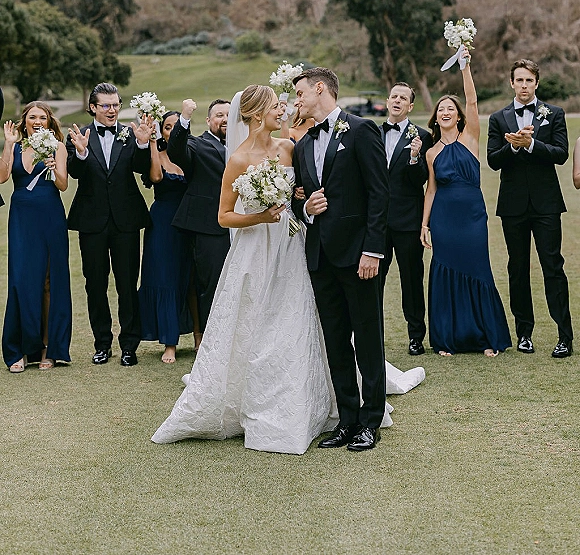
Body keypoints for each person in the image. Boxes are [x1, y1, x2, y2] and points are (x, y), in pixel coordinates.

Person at [152, 85, 333, 454]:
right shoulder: (237, 159)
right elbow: (224, 216)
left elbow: (300, 191)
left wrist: (297, 199)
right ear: (253, 114)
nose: (280, 111)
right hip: (254, 249)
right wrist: (259, 216)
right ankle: (251, 398)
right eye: (273, 107)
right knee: (254, 319)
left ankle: (300, 397)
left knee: (293, 317)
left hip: (288, 243)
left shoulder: (288, 148)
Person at [292, 67, 389, 452]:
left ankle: (371, 421)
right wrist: (307, 208)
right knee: (335, 341)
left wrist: (373, 249)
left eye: (300, 93)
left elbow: (379, 194)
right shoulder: (301, 146)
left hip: (358, 256)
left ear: (320, 89)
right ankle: (347, 420)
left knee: (367, 339)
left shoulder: (362, 129)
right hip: (320, 258)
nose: (296, 100)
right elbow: (301, 200)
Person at [421, 48, 511, 357]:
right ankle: (447, 340)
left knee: (477, 268)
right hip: (443, 218)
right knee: (444, 271)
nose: (445, 111)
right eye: (440, 109)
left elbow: (472, 100)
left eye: (450, 108)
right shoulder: (431, 152)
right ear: (436, 117)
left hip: (472, 215)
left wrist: (465, 68)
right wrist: (424, 223)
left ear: (459, 115)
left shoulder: (470, 137)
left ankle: (487, 338)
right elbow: (430, 190)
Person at [487, 59, 572, 358]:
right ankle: (524, 334)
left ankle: (565, 336)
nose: (524, 86)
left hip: (546, 203)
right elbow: (493, 160)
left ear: (537, 83)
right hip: (512, 206)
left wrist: (532, 144)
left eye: (529, 81)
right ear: (511, 83)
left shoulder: (554, 114)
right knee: (517, 268)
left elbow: (561, 154)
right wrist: (512, 147)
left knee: (553, 267)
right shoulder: (498, 118)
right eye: (519, 80)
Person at [66, 82, 152, 366]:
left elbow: (141, 168)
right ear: (93, 107)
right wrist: (80, 152)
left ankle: (129, 346)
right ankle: (102, 344)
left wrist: (142, 143)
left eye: (116, 104)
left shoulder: (130, 133)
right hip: (92, 222)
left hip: (126, 221)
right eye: (106, 105)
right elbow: (76, 173)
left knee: (127, 285)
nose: (112, 110)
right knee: (95, 285)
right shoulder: (79, 136)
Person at [1, 102, 71, 372]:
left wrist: (54, 168)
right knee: (21, 280)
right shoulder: (16, 147)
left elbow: (63, 184)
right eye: (33, 117)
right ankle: (19, 349)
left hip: (50, 217)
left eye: (43, 117)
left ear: (49, 121)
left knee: (48, 282)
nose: (38, 121)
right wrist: (8, 144)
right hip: (21, 218)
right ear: (25, 121)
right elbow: (2, 177)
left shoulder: (58, 147)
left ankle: (47, 349)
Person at [167, 98, 231, 345]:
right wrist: (184, 117)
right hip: (209, 227)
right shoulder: (197, 144)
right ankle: (212, 343)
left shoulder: (244, 145)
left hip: (244, 226)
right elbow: (176, 151)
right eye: (218, 115)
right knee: (211, 286)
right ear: (208, 120)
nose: (224, 119)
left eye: (228, 115)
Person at [380, 82, 432, 356]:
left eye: (403, 98)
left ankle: (416, 337)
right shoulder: (372, 134)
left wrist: (414, 157)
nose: (397, 101)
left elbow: (422, 180)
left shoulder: (422, 136)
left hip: (408, 220)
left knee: (411, 280)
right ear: (388, 101)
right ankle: (373, 335)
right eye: (394, 96)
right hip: (377, 222)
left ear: (411, 106)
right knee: (373, 279)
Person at [138, 111, 193, 364]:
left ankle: (199, 337)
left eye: (175, 126)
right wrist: (151, 141)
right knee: (164, 277)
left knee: (189, 278)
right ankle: (169, 342)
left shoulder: (190, 155)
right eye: (167, 127)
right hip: (162, 223)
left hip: (188, 223)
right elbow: (156, 177)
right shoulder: (158, 155)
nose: (171, 131)